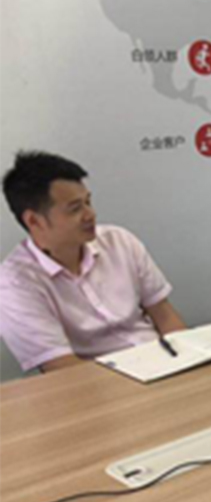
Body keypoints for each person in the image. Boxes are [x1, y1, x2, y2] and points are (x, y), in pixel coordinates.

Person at [0, 151, 186, 373]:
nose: (90, 214)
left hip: (165, 362)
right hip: (97, 383)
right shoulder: (15, 284)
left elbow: (164, 315)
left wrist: (188, 358)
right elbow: (61, 367)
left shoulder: (119, 241)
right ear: (34, 221)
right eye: (75, 208)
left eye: (88, 202)